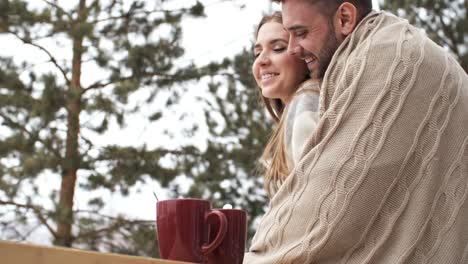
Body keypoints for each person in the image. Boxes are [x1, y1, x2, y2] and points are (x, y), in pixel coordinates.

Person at [244, 0, 468, 263]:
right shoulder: (393, 45)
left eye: (301, 33)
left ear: (345, 18)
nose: (294, 49)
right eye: (257, 51)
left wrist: (250, 256)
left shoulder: (385, 58)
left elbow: (330, 201)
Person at [252, 12, 321, 196]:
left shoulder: (306, 103)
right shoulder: (298, 107)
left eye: (278, 48)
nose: (262, 61)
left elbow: (313, 196)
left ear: (304, 54)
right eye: (258, 52)